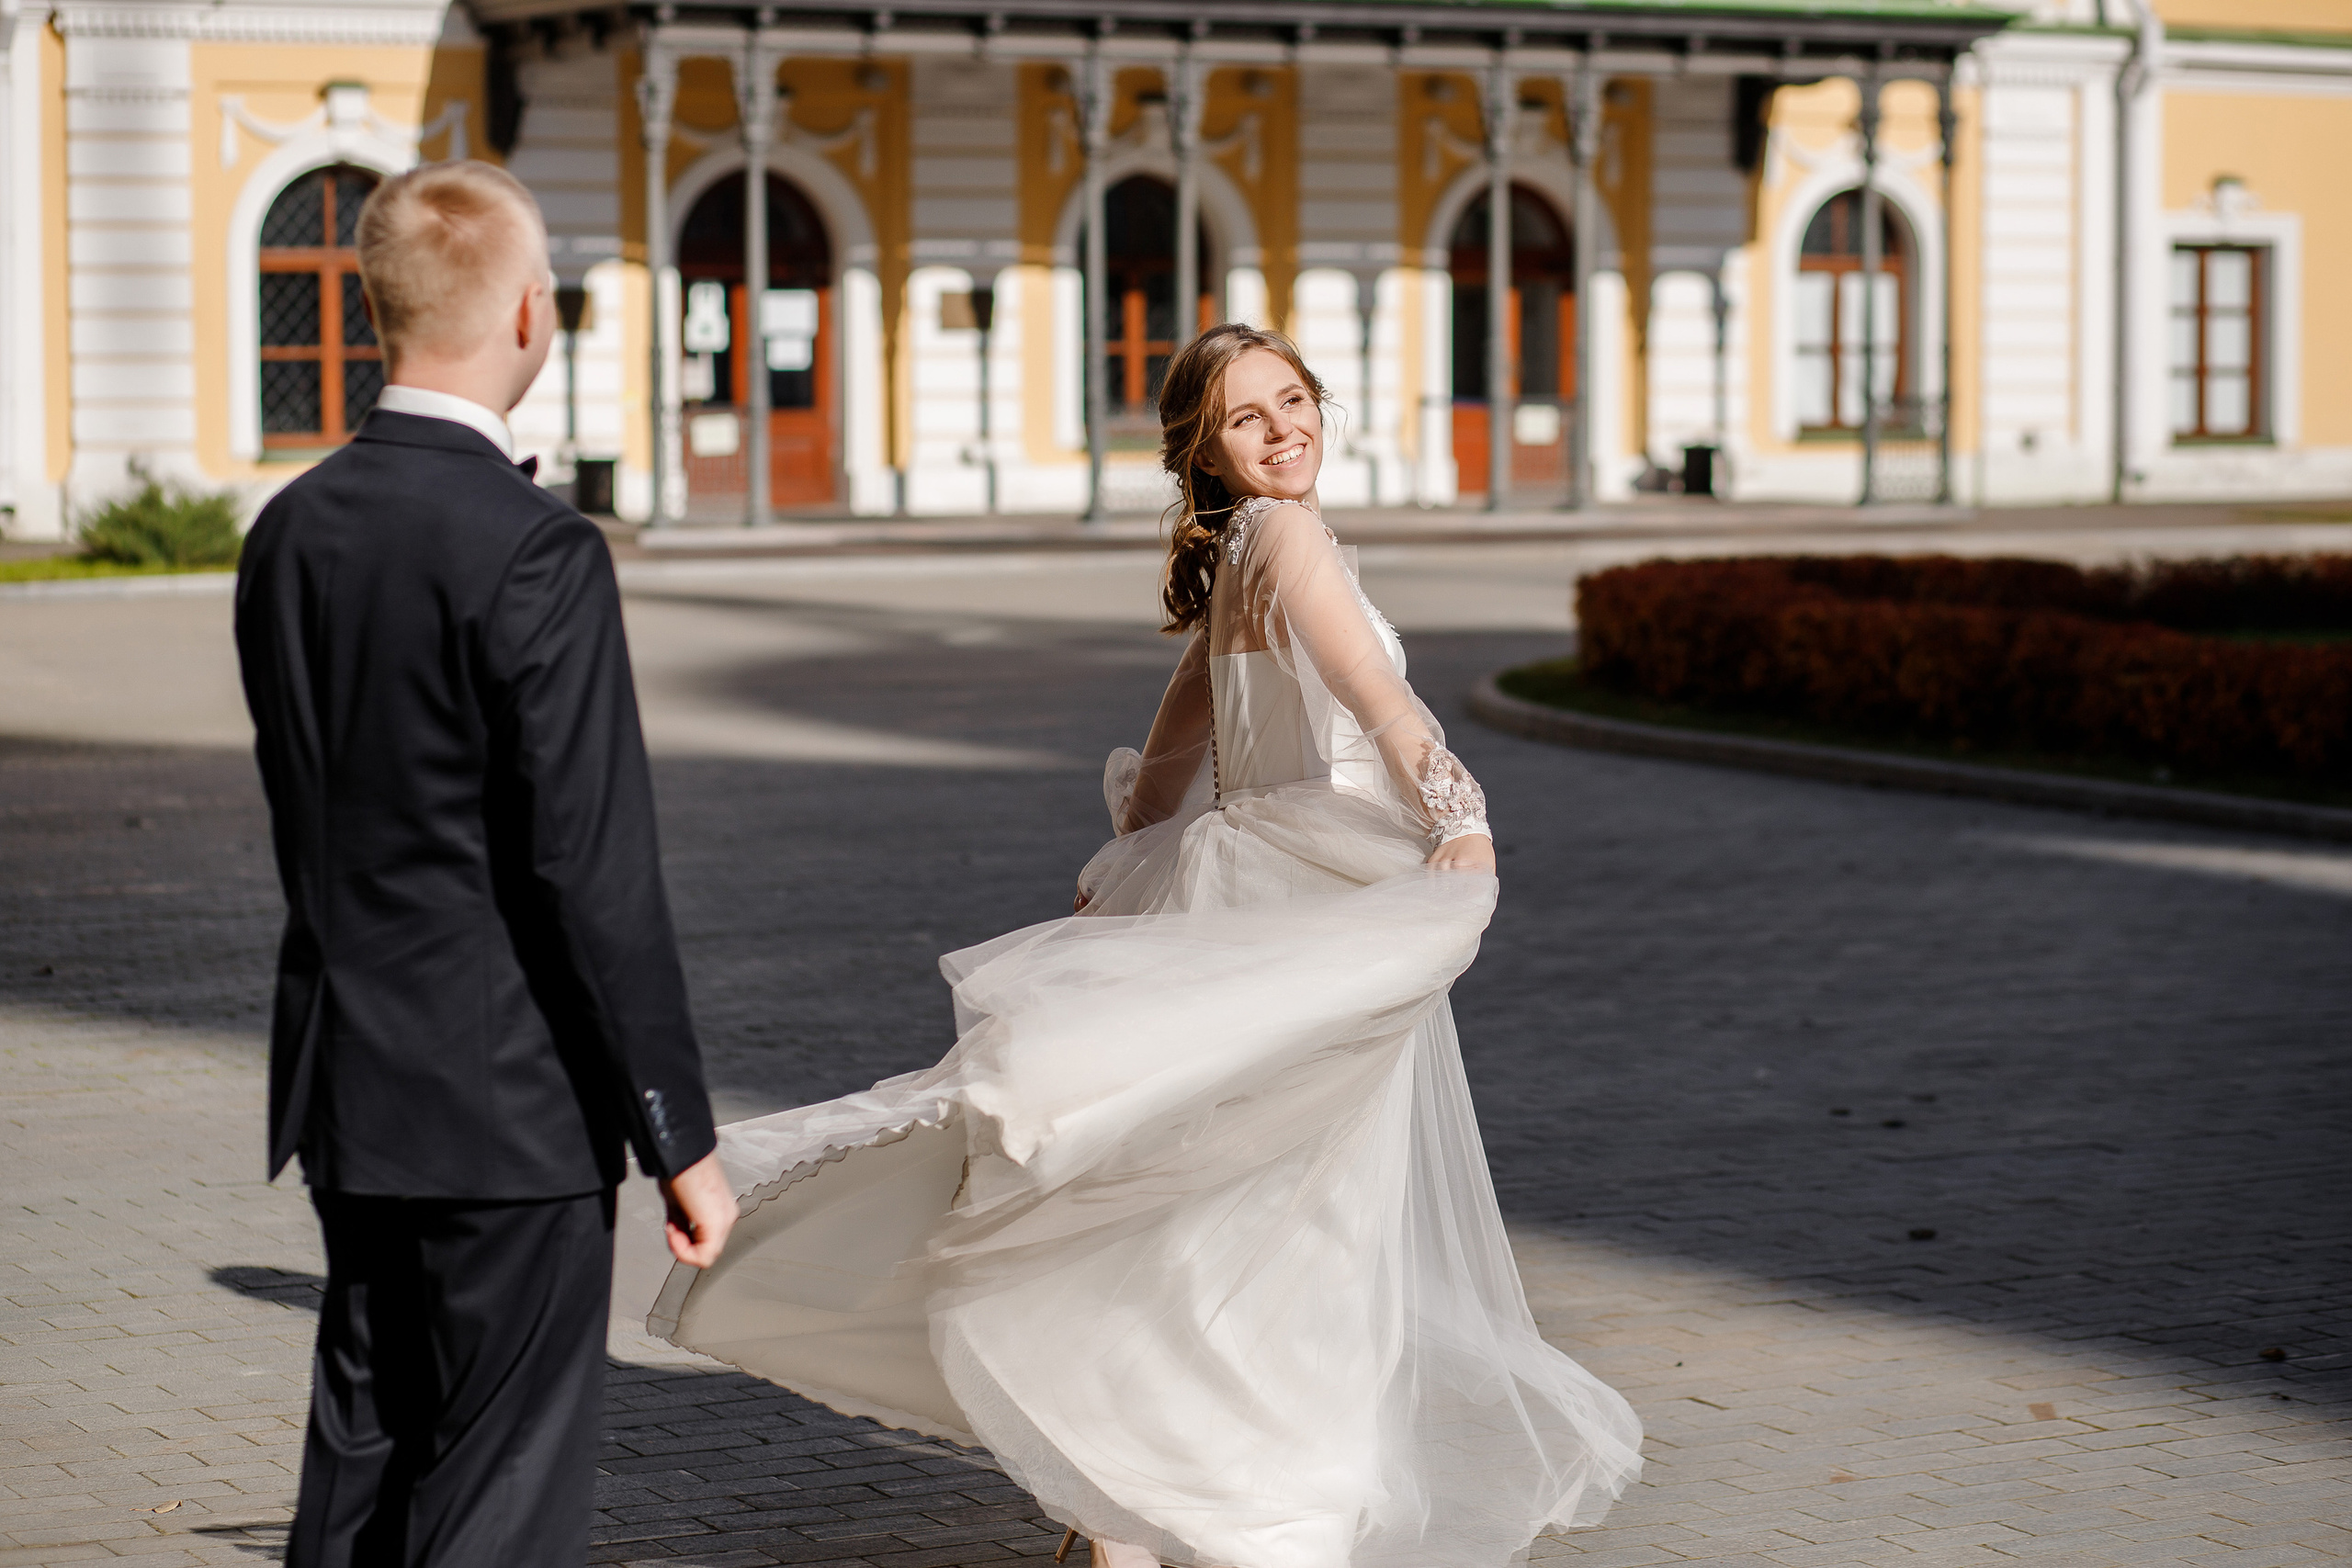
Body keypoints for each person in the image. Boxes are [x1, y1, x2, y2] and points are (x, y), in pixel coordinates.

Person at [611, 324, 1641, 1568]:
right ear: (1203, 449)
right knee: (1291, 1208)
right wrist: (1461, 816)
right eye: (1249, 417)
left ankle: (1122, 1487)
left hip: (1261, 885)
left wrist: (1138, 845)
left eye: (1296, 400)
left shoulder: (1241, 550)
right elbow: (1373, 686)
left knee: (1218, 1189)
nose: (1283, 429)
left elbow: (1175, 741)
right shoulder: (1289, 536)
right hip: (1306, 899)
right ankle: (1192, 1481)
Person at [234, 160, 736, 1568]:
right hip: (508, 1110)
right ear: (530, 310)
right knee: (498, 1502)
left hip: (350, 1096)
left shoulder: (287, 531)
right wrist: (676, 1134)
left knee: (360, 1471)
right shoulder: (539, 550)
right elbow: (592, 875)